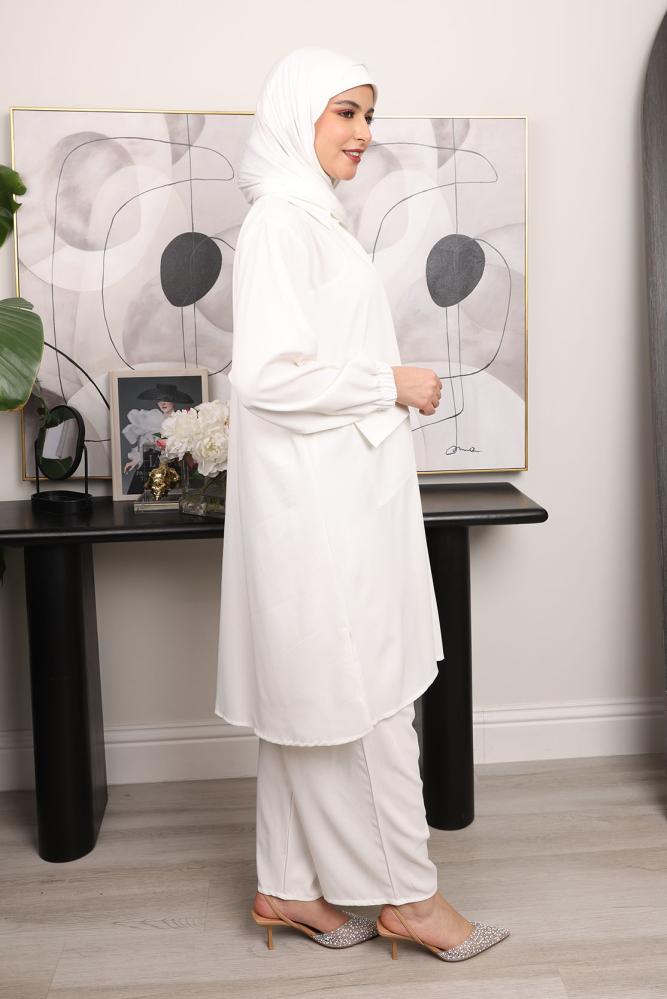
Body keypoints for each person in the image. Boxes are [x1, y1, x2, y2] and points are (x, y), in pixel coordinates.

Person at [215, 46, 510, 962]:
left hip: (332, 493)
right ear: (297, 114)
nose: (363, 133)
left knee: (311, 687)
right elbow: (267, 376)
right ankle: (410, 898)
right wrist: (391, 381)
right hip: (318, 506)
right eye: (345, 112)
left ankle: (285, 883)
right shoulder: (283, 223)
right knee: (362, 690)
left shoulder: (308, 216)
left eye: (368, 114)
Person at [121, 382, 194, 493]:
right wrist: (136, 459)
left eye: (166, 399)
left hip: (172, 467)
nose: (162, 403)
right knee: (138, 492)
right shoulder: (153, 419)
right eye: (160, 399)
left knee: (169, 496)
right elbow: (145, 445)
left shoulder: (181, 420)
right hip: (150, 465)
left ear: (173, 401)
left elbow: (186, 448)